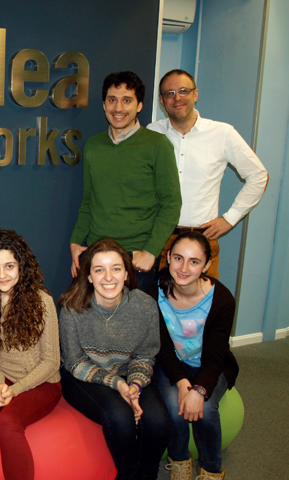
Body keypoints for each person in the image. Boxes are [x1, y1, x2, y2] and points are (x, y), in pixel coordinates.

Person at [59, 238, 171, 480]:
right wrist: (117, 384)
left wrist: (135, 385)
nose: (108, 277)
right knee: (121, 418)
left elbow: (145, 354)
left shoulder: (145, 306)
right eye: (99, 270)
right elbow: (74, 362)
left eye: (116, 269)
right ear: (88, 276)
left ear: (126, 273)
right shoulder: (72, 307)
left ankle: (147, 474)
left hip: (129, 372)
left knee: (159, 421)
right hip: (83, 376)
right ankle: (128, 474)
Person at [148, 69, 268, 279]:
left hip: (202, 240)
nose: (177, 98)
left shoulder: (222, 133)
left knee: (201, 306)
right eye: (170, 93)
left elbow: (258, 175)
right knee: (152, 306)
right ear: (161, 100)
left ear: (195, 94)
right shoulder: (152, 133)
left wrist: (230, 219)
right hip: (158, 239)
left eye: (183, 91)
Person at [69, 71, 182, 291]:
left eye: (127, 100)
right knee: (87, 321)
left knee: (133, 325)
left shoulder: (158, 145)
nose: (118, 108)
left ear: (139, 105)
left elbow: (171, 204)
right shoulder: (93, 146)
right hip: (95, 254)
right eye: (112, 100)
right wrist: (75, 242)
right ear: (104, 105)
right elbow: (89, 201)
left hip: (137, 258)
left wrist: (151, 252)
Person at [0, 230, 61, 480]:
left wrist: (15, 389)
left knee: (8, 424)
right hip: (1, 376)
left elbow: (51, 362)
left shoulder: (42, 301)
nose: (2, 275)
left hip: (39, 382)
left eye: (9, 266)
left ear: (21, 266)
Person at [148, 231, 238, 480]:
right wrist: (182, 383)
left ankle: (211, 468)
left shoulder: (221, 300)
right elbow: (162, 348)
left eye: (194, 261)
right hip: (170, 363)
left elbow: (215, 356)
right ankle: (179, 460)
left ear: (207, 265)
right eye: (178, 258)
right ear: (168, 257)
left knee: (206, 409)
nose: (184, 268)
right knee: (174, 404)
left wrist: (198, 390)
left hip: (208, 365)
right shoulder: (154, 292)